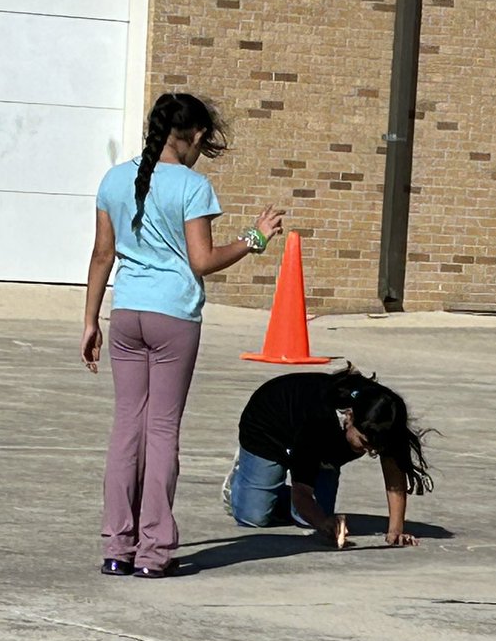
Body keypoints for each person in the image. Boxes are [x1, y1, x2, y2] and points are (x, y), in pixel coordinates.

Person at [81, 92, 284, 578]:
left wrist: (90, 320)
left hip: (126, 312)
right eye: (201, 142)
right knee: (162, 429)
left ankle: (117, 547)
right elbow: (202, 261)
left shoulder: (113, 179)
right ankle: (153, 552)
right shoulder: (193, 186)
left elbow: (101, 256)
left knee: (127, 426)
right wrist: (253, 240)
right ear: (192, 137)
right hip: (173, 315)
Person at [222, 366, 433, 548]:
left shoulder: (384, 414)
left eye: (376, 448)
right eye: (364, 443)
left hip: (321, 446)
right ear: (349, 417)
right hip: (268, 427)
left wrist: (395, 530)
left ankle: (271, 490)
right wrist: (322, 522)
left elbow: (394, 472)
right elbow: (302, 494)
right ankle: (241, 481)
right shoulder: (317, 422)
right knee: (253, 517)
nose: (370, 452)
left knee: (304, 519)